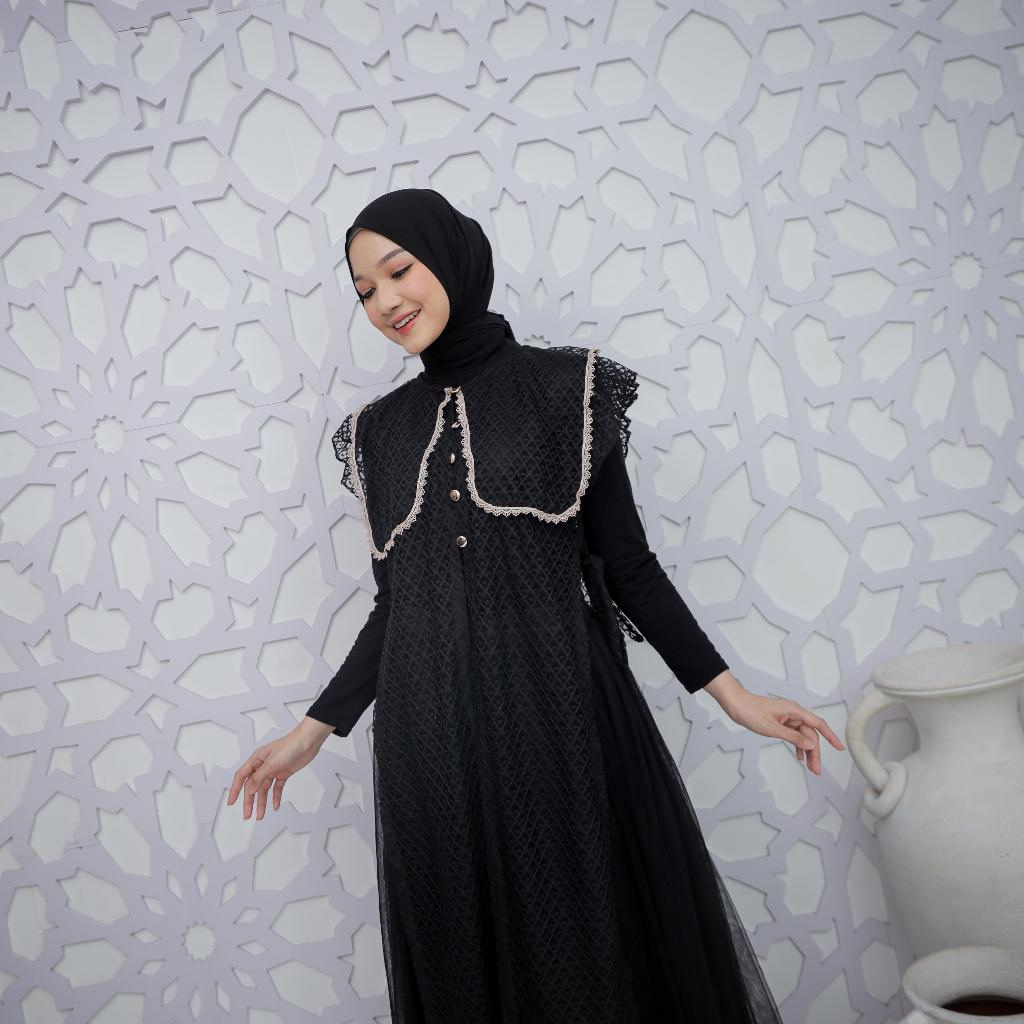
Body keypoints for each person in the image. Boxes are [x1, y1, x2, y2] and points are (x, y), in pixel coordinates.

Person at [228, 188, 844, 1023]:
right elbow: (395, 608)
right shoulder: (379, 433)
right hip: (432, 748)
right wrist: (311, 732)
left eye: (399, 271)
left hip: (564, 724)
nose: (386, 302)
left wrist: (735, 698)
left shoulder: (568, 389)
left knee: (591, 960)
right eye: (365, 291)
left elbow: (630, 568)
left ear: (452, 257)